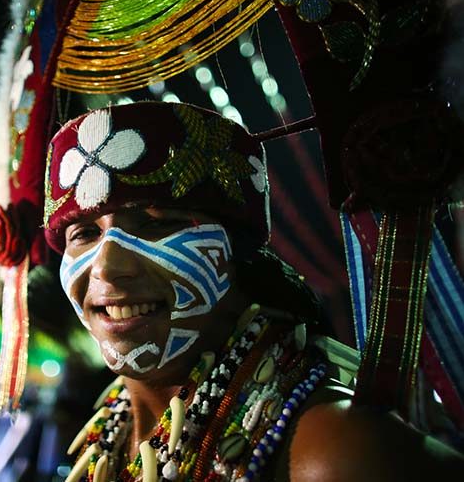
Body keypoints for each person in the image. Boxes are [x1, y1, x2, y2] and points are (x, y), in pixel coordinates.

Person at [28, 101, 463, 481]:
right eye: (84, 233)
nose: (107, 267)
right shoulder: (109, 434)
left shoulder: (333, 449)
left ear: (237, 255)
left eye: (159, 223)